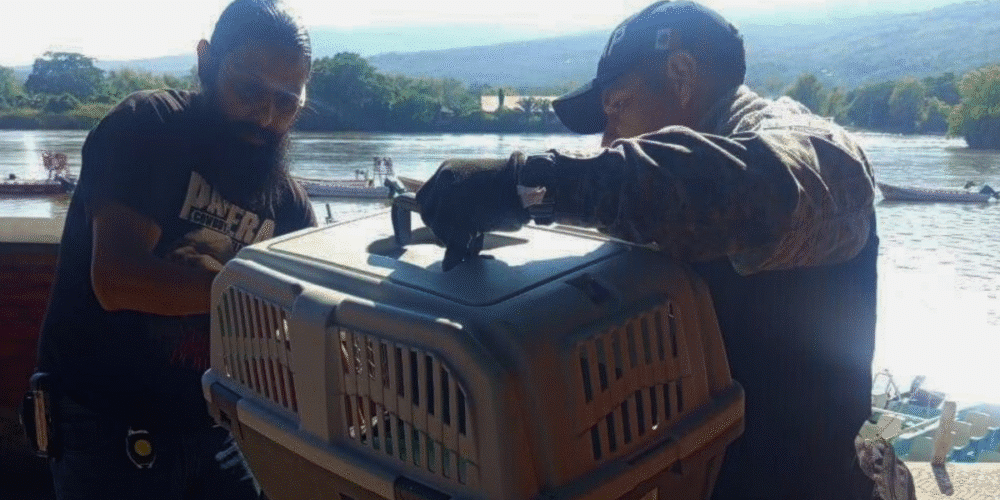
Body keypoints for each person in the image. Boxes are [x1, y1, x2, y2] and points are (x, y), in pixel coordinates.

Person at [415, 2, 905, 498]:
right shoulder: (662, 203)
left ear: (682, 75)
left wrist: (527, 186)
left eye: (616, 106)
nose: (607, 139)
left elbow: (752, 194)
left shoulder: (817, 151)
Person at [35, 0, 316, 498]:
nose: (267, 117)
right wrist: (263, 300)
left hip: (219, 426)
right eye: (249, 90)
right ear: (206, 61)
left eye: (287, 102)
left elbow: (301, 311)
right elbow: (118, 278)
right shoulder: (148, 126)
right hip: (106, 429)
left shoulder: (288, 203)